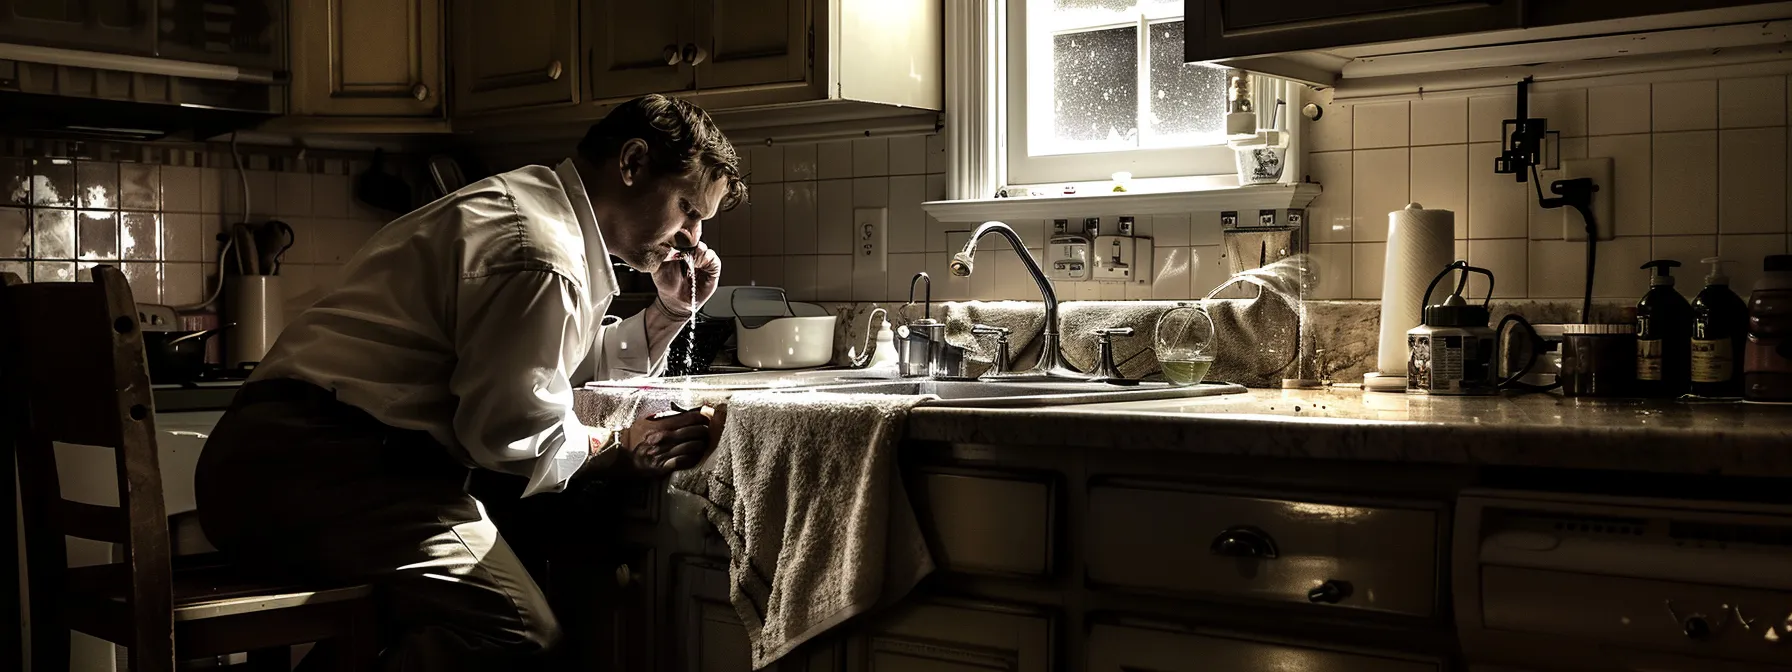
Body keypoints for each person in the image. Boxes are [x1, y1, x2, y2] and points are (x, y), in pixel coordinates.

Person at [194, 94, 744, 671]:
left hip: (273, 464)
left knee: (425, 615)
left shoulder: (532, 209)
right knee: (518, 633)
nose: (692, 235)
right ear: (632, 163)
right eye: (688, 207)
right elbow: (507, 431)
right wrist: (615, 447)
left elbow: (545, 362)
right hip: (323, 470)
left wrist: (668, 312)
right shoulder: (542, 252)